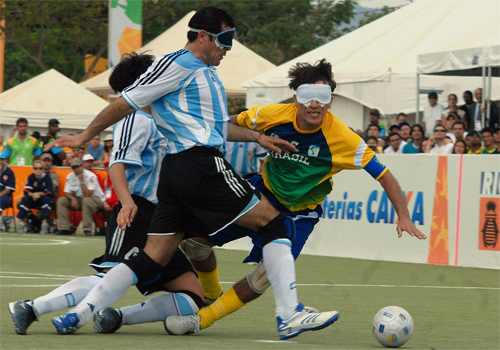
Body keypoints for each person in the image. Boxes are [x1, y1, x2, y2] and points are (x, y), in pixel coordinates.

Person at [47, 7, 337, 340]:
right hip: (200, 165)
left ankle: (80, 313)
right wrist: (86, 136)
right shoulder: (177, 64)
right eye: (224, 39)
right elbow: (125, 102)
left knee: (153, 256)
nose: (228, 47)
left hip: (177, 172)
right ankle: (289, 314)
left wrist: (258, 137)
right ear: (202, 36)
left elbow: (217, 128)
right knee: (274, 224)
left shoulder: (202, 71)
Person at [157, 59, 426, 336]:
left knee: (264, 277)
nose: (314, 104)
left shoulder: (343, 138)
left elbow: (384, 174)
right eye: (308, 95)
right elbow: (224, 125)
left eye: (323, 97)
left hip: (299, 213)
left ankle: (201, 320)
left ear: (330, 101)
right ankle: (211, 292)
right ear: (296, 97)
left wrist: (404, 216)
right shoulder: (272, 114)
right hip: (260, 195)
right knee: (193, 244)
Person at [8, 52, 206, 335]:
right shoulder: (134, 118)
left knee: (192, 296)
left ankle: (116, 317)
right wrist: (127, 203)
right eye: (156, 74)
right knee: (111, 275)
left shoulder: (163, 116)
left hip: (162, 219)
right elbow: (117, 164)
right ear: (144, 81)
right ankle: (31, 308)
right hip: (137, 210)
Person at [55, 158, 106, 236]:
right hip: (79, 198)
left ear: (82, 166)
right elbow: (66, 192)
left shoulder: (91, 176)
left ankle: (87, 229)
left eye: (78, 167)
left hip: (96, 199)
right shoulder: (70, 176)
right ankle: (64, 228)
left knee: (86, 200)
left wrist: (81, 180)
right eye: (74, 168)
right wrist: (72, 198)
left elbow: (88, 194)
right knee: (61, 201)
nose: (76, 169)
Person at [16, 160, 54, 234]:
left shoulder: (47, 177)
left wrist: (39, 194)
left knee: (47, 200)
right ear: (33, 169)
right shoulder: (31, 176)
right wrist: (33, 195)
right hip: (33, 198)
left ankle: (44, 224)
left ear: (43, 169)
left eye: (40, 168)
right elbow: (26, 191)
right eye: (36, 168)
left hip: (43, 198)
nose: (38, 170)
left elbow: (49, 191)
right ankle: (21, 224)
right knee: (24, 199)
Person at [0, 153, 16, 231]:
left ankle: (1, 223)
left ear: (6, 161)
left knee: (1, 201)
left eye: (2, 160)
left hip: (6, 196)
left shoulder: (10, 172)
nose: (0, 162)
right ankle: (2, 222)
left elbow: (9, 189)